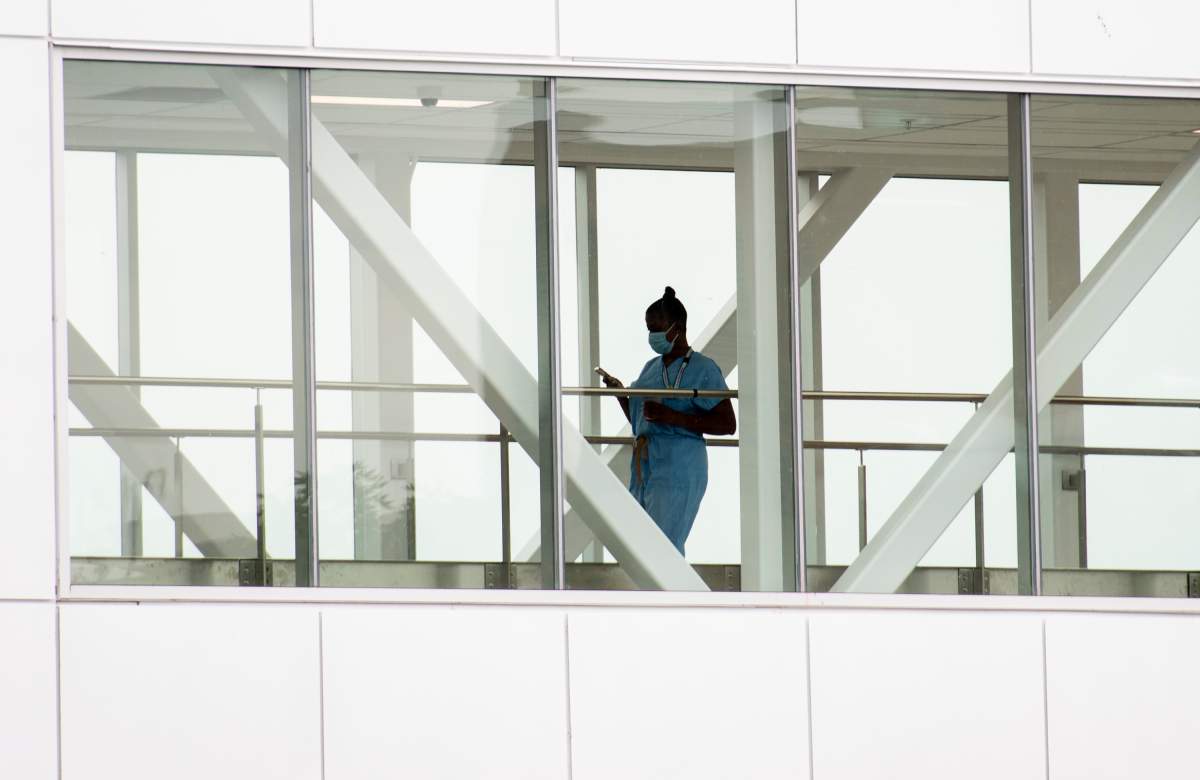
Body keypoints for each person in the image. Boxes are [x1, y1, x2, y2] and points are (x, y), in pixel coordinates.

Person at [600, 286, 736, 555]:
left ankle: (673, 595)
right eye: (649, 329)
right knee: (639, 548)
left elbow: (727, 424)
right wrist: (621, 396)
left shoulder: (703, 368)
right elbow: (643, 421)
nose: (652, 336)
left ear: (678, 328)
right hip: (645, 468)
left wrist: (673, 417)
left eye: (657, 329)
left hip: (678, 468)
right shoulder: (651, 368)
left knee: (663, 550)